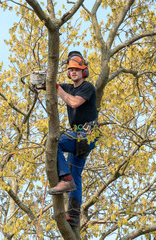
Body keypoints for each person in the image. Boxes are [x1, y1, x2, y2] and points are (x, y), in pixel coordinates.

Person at [48, 51, 98, 227]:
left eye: (77, 69)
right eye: (71, 70)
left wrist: (57, 89)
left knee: (56, 143)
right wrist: (42, 84)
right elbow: (52, 86)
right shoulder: (68, 87)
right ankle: (74, 218)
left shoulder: (88, 87)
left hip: (88, 133)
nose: (74, 72)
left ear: (83, 71)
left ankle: (65, 180)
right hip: (78, 135)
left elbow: (74, 103)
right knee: (76, 174)